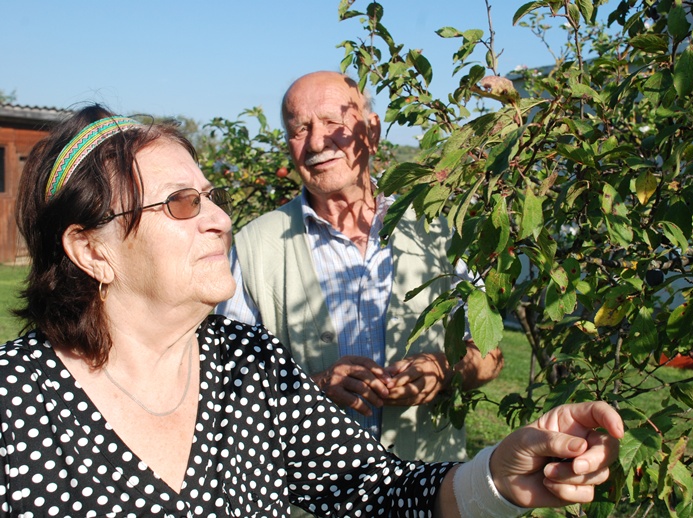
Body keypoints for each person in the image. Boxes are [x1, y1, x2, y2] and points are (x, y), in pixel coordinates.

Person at [1, 104, 624, 516]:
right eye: (183, 204)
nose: (221, 219)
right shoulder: (14, 407)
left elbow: (379, 492)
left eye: (212, 197)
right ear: (91, 249)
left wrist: (498, 476)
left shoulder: (248, 368)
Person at [218, 71, 503, 466]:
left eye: (334, 122)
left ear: (372, 131)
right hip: (311, 499)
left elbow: (489, 353)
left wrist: (445, 369)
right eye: (300, 129)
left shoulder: (437, 228)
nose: (317, 141)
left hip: (430, 488)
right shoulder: (253, 246)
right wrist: (315, 385)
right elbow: (226, 383)